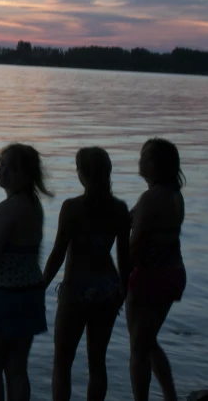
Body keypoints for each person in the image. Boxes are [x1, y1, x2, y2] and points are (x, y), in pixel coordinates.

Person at [42, 147, 131, 401]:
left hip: (76, 288)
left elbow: (58, 253)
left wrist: (41, 285)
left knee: (62, 361)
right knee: (97, 361)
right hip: (107, 286)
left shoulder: (71, 207)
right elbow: (124, 258)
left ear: (82, 174)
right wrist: (124, 289)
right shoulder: (119, 208)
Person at [0, 143, 52, 401]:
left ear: (27, 174)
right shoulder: (33, 205)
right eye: (1, 166)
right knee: (17, 370)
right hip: (29, 293)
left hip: (1, 295)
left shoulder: (10, 208)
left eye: (10, 168)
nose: (2, 172)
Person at [127, 138, 187, 401]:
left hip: (149, 276)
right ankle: (170, 396)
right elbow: (131, 219)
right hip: (173, 274)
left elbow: (136, 244)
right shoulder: (174, 195)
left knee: (139, 346)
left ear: (156, 164)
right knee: (147, 341)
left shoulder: (151, 197)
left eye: (145, 157)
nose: (140, 161)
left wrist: (119, 279)